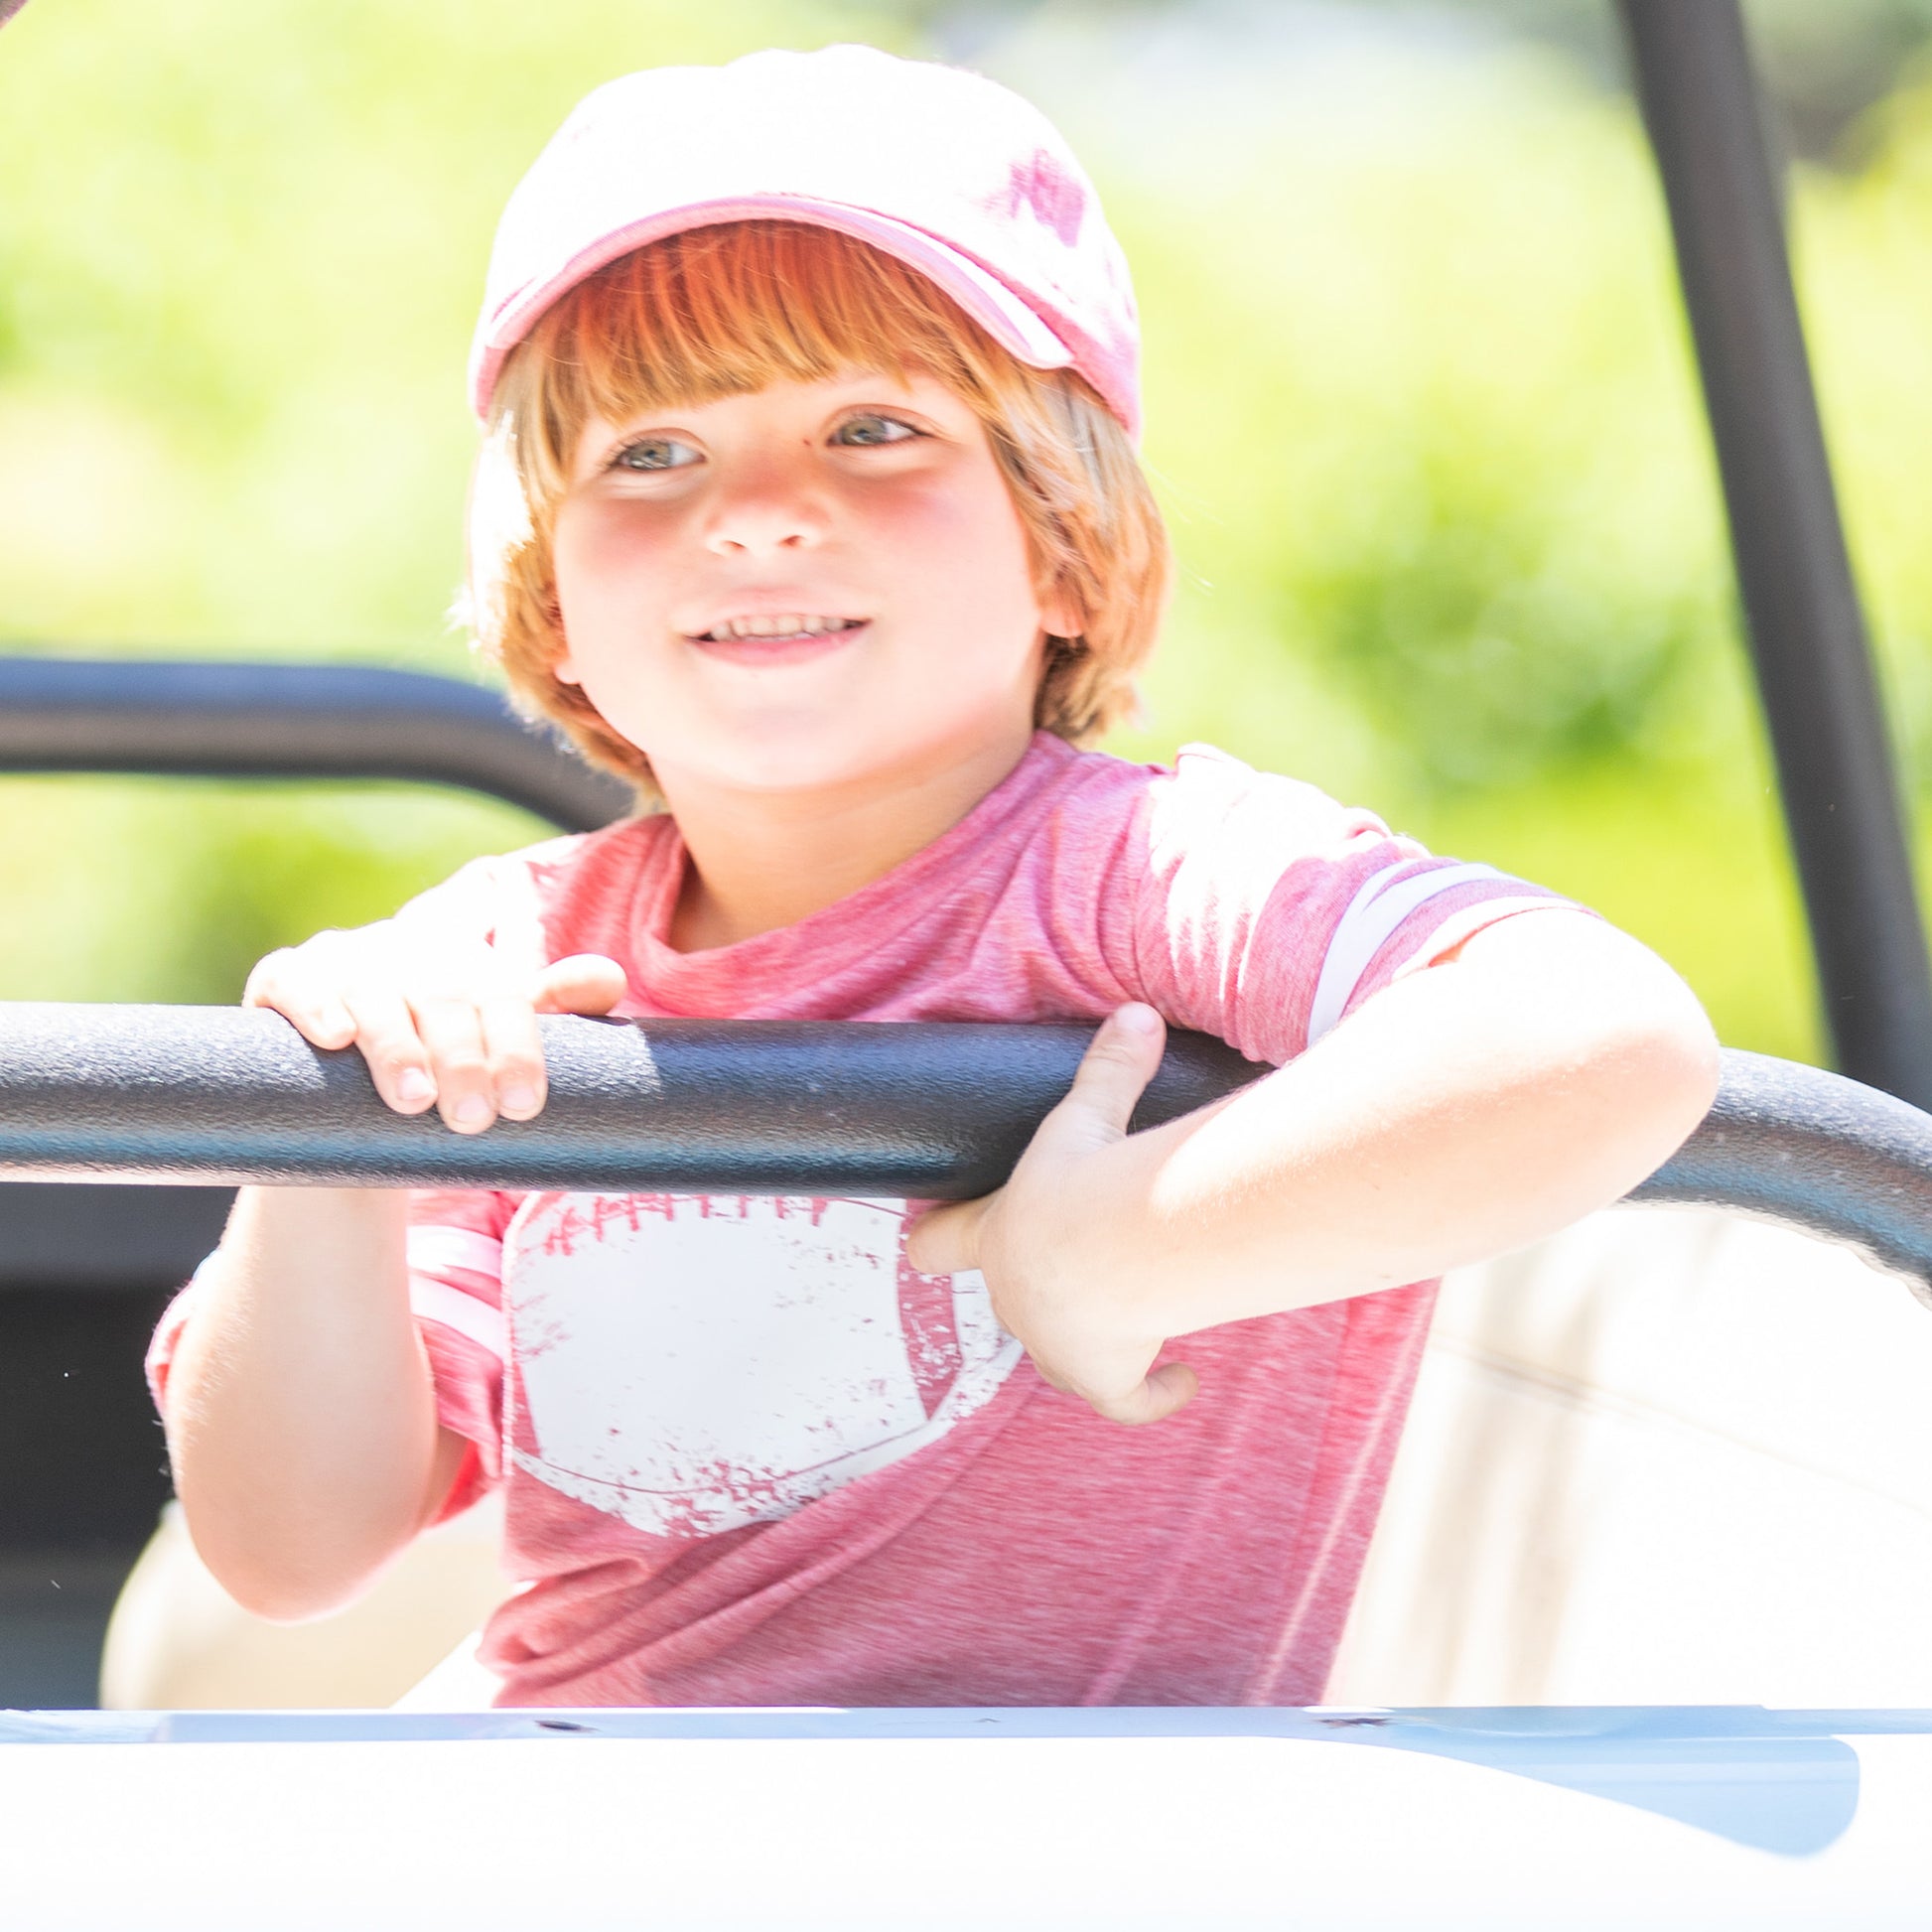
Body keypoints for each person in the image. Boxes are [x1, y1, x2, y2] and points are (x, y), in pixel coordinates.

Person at [149, 45, 1718, 1709]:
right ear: (552, 590)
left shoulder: (1140, 876)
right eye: (649, 455)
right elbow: (292, 1550)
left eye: (872, 427)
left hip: (1040, 1846)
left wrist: (1124, 1248)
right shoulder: (502, 957)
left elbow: (1608, 1036)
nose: (754, 516)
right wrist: (321, 1146)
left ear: (1057, 532)